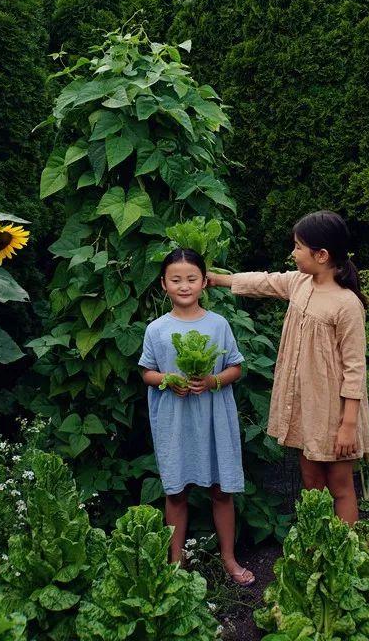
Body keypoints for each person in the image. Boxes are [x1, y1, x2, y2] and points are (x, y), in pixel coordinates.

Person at [207, 210, 369, 525]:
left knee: (340, 487)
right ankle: (318, 547)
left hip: (336, 412)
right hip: (307, 407)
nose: (293, 253)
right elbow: (265, 282)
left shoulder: (346, 304)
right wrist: (217, 279)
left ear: (322, 255)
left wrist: (348, 425)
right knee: (312, 484)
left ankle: (345, 555)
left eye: (298, 247)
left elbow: (355, 369)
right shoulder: (300, 283)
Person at [139, 247, 255, 585]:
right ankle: (177, 562)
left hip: (213, 418)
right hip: (176, 421)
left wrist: (213, 380)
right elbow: (147, 372)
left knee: (222, 490)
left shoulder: (218, 324)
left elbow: (236, 366)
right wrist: (168, 380)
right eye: (176, 280)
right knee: (176, 491)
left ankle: (229, 559)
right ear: (163, 284)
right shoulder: (156, 329)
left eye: (191, 279)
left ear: (205, 282)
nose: (184, 285)